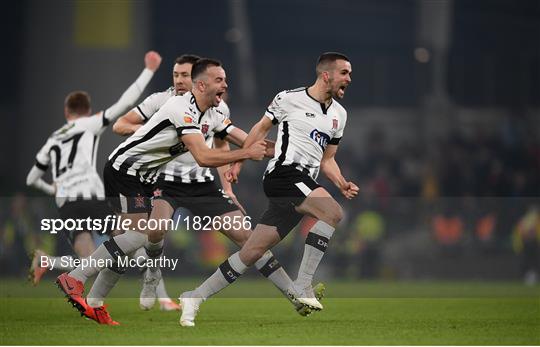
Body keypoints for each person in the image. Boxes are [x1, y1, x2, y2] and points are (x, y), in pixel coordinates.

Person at [54, 58, 284, 325]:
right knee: (138, 237)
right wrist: (245, 154)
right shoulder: (178, 107)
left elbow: (251, 141)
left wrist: (288, 152)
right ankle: (74, 278)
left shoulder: (211, 112)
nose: (225, 84)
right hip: (124, 170)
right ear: (201, 84)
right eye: (219, 79)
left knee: (130, 242)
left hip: (143, 177)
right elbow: (203, 157)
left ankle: (94, 303)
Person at [178, 52, 358, 327]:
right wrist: (239, 161)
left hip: (301, 186)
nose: (349, 78)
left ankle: (195, 297)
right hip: (283, 175)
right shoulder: (288, 98)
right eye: (344, 73)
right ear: (326, 75)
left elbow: (327, 159)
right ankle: (303, 285)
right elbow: (260, 129)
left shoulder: (339, 115)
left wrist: (341, 182)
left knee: (251, 252)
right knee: (333, 213)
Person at [26, 51, 161, 324]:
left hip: (66, 202)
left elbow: (31, 179)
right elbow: (124, 103)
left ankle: (51, 265)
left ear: (67, 112)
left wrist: (52, 189)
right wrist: (148, 71)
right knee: (129, 243)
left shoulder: (53, 138)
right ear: (87, 111)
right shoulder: (90, 123)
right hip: (92, 196)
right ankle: (147, 281)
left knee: (91, 258)